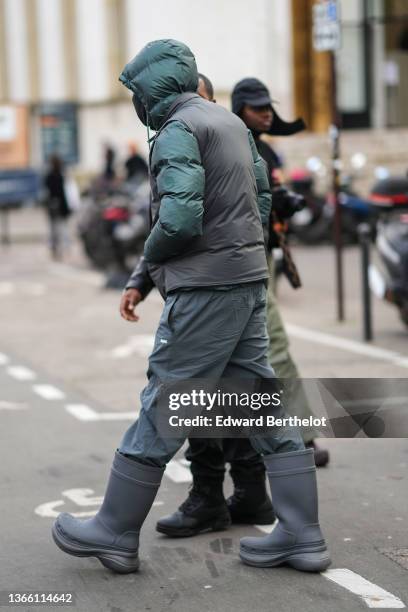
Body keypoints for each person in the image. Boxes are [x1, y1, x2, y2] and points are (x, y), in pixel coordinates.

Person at [51, 39, 330, 575]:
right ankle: (302, 534)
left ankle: (113, 530)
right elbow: (264, 197)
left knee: (167, 399)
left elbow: (178, 220)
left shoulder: (178, 130)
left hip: (205, 290)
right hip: (248, 280)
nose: (135, 101)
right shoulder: (229, 123)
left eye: (136, 91)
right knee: (261, 405)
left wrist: (148, 259)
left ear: (152, 88)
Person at [156, 75, 329, 538]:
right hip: (229, 273)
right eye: (254, 107)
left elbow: (189, 216)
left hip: (233, 277)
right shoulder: (210, 136)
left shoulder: (223, 138)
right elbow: (177, 211)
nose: (264, 114)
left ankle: (248, 495)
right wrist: (146, 273)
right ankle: (250, 502)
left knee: (233, 377)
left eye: (266, 106)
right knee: (230, 385)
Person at [43, 154, 71, 260]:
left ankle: (57, 248)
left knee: (54, 229)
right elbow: (64, 192)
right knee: (60, 228)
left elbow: (47, 191)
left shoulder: (51, 175)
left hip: (53, 205)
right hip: (59, 205)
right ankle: (61, 248)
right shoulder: (60, 175)